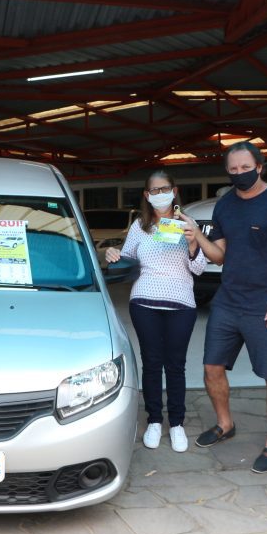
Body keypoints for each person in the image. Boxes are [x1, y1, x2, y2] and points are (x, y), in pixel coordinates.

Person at [182, 141, 267, 473]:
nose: (239, 174)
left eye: (246, 168)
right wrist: (197, 237)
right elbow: (220, 256)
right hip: (228, 300)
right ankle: (225, 423)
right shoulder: (224, 205)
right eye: (233, 170)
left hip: (266, 303)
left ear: (259, 167)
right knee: (211, 367)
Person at [105, 172, 206, 452]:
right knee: (151, 363)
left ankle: (177, 423)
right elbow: (127, 260)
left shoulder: (188, 224)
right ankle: (154, 420)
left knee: (175, 365)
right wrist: (114, 254)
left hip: (181, 304)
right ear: (147, 196)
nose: (160, 194)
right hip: (144, 303)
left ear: (174, 190)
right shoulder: (140, 226)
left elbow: (199, 268)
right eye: (154, 190)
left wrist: (193, 241)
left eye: (165, 189)